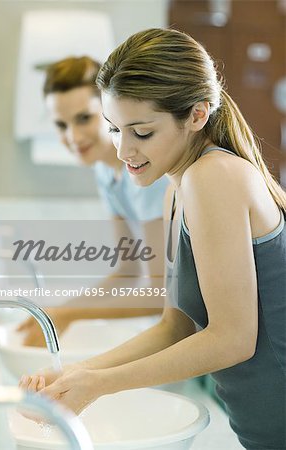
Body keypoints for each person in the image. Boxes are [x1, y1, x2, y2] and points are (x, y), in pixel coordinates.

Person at [19, 28, 286, 450]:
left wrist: (100, 384)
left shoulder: (212, 177)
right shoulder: (176, 188)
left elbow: (233, 338)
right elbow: (174, 325)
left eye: (141, 133)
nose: (124, 150)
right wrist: (77, 375)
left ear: (197, 116)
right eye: (114, 129)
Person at [18, 56, 168, 347]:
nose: (73, 136)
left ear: (111, 111)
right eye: (61, 125)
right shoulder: (105, 170)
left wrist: (66, 315)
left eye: (84, 118)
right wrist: (52, 313)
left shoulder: (147, 172)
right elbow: (128, 271)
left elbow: (162, 293)